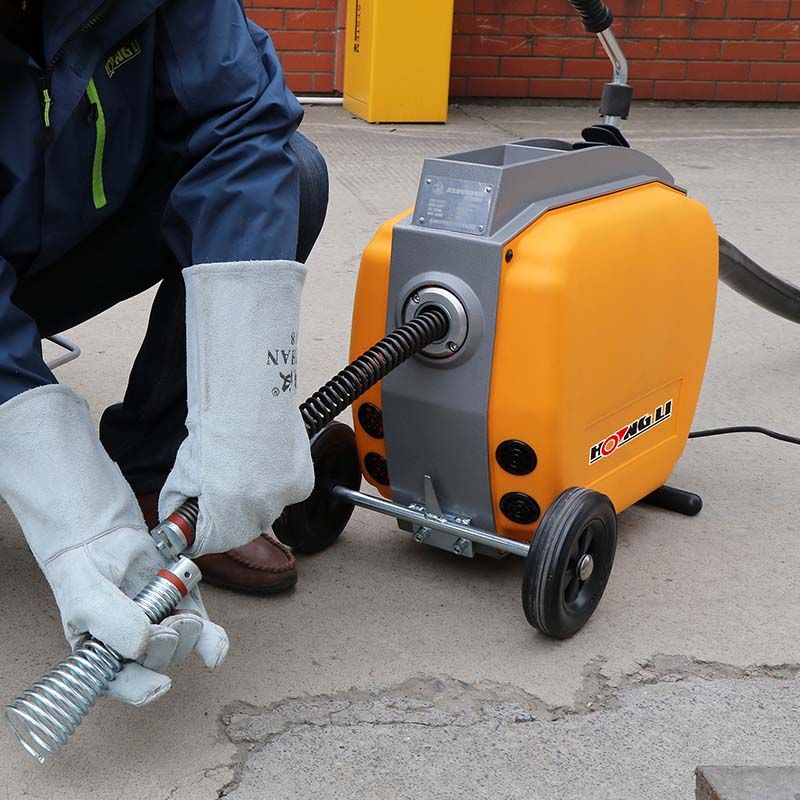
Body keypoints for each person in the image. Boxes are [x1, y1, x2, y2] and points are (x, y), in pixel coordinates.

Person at [0, 0, 327, 705]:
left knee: (293, 175)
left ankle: (158, 468)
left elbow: (239, 124)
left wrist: (243, 407)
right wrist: (73, 513)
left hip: (73, 230)